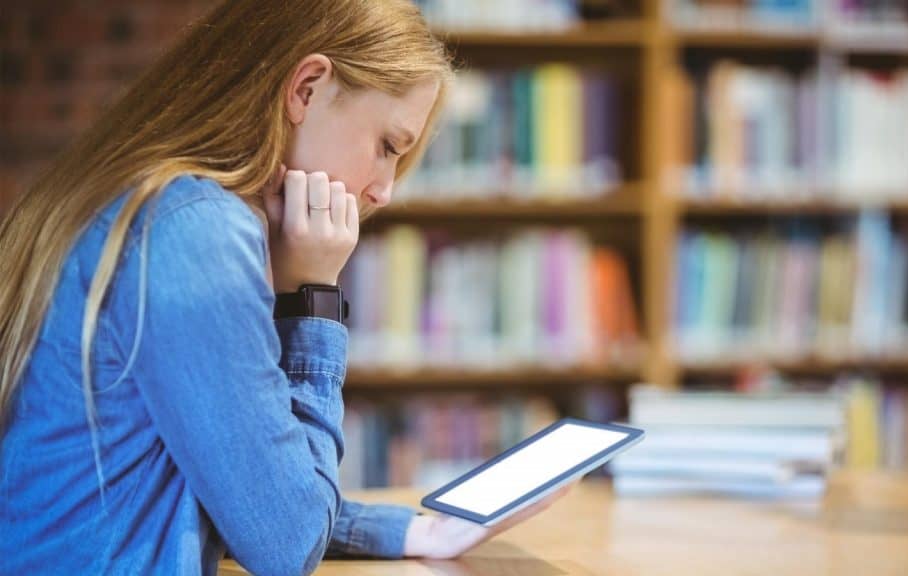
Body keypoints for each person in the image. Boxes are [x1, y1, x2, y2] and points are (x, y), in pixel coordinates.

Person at [0, 1, 571, 574]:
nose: (384, 191)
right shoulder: (199, 232)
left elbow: (242, 484)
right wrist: (313, 297)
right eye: (388, 147)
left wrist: (415, 531)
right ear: (306, 88)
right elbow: (287, 544)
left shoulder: (152, 202)